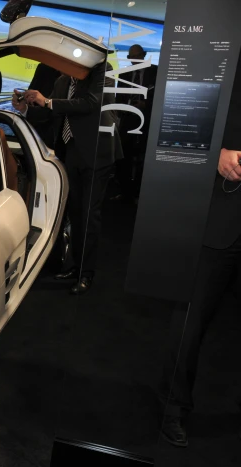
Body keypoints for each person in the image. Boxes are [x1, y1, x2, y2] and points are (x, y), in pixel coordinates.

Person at [159, 58, 241, 447]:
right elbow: (179, 118)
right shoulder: (221, 57)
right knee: (189, 323)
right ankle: (173, 407)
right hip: (220, 216)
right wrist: (218, 153)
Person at [13, 61, 122, 294]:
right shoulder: (62, 81)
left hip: (97, 154)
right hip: (70, 152)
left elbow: (90, 103)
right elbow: (49, 113)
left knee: (89, 215)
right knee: (74, 214)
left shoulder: (102, 71)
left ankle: (86, 273)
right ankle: (75, 266)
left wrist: (48, 101)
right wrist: (27, 108)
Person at [113, 44, 158, 203]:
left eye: (136, 56)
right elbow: (118, 97)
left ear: (144, 55)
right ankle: (125, 191)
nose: (133, 60)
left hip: (148, 120)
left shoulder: (156, 72)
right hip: (127, 119)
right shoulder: (125, 74)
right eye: (130, 57)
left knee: (143, 157)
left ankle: (138, 194)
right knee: (122, 155)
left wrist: (146, 105)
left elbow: (161, 96)